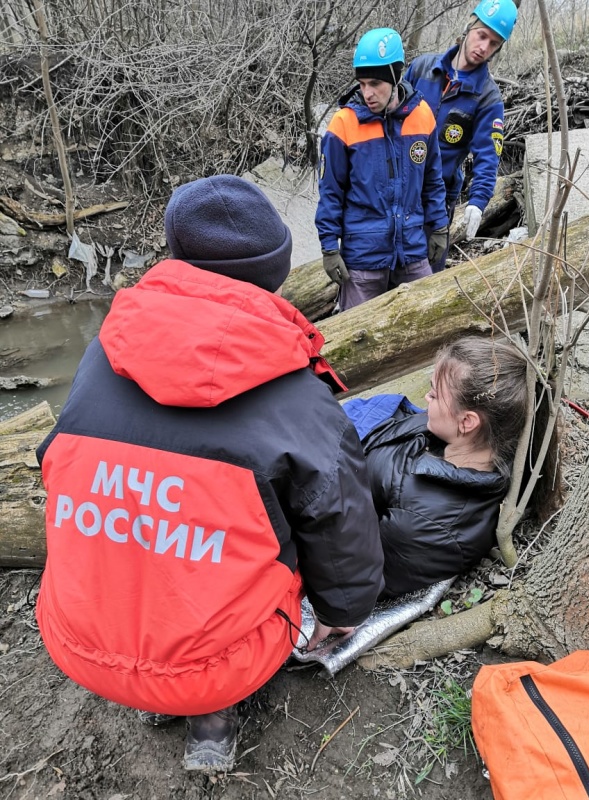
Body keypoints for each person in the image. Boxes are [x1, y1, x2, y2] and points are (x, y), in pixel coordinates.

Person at [35, 175, 384, 774]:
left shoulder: (102, 352)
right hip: (216, 668)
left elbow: (57, 464)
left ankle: (154, 680)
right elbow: (340, 524)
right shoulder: (299, 398)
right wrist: (344, 610)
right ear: (275, 273)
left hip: (75, 639)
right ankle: (211, 714)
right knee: (294, 515)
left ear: (177, 260)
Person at [342, 336, 561, 596]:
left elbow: (351, 572)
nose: (426, 397)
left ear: (467, 422)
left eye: (434, 394)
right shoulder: (455, 436)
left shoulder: (433, 530)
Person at [315, 27, 449, 311]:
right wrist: (329, 247)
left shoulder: (422, 115)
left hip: (412, 249)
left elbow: (432, 180)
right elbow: (330, 192)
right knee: (357, 343)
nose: (367, 93)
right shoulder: (343, 124)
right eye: (362, 84)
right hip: (362, 257)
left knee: (427, 326)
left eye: (375, 83)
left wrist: (439, 226)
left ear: (396, 76)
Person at [405, 0, 518, 271]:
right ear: (469, 25)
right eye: (482, 35)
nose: (483, 48)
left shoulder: (488, 97)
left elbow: (488, 155)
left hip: (437, 199)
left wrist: (478, 202)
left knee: (425, 276)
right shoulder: (421, 68)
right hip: (397, 186)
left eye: (493, 44)